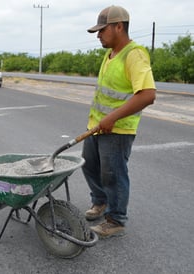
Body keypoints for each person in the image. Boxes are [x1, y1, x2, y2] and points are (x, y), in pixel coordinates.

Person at [82, 5, 156, 237]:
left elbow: (147, 94)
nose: (98, 35)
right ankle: (100, 202)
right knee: (89, 165)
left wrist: (112, 118)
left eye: (102, 30)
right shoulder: (110, 53)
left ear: (119, 27)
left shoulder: (134, 54)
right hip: (97, 127)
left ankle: (115, 219)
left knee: (112, 174)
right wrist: (99, 121)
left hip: (118, 129)